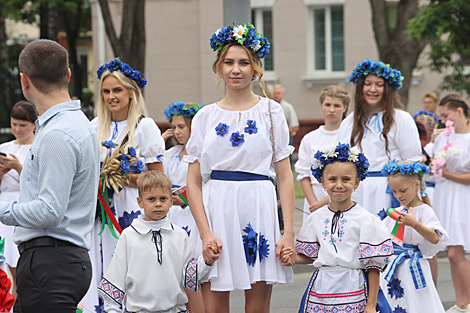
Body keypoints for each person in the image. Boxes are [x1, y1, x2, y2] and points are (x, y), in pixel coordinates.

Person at [186, 23, 295, 313]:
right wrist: (205, 232)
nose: (236, 69)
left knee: (257, 307)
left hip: (258, 207)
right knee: (215, 307)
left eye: (244, 62)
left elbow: (284, 176)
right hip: (216, 209)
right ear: (219, 68)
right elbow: (193, 182)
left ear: (256, 68)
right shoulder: (204, 117)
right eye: (229, 62)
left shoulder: (272, 112)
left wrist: (288, 232)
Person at [0, 39, 100, 312]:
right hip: (56, 262)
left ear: (24, 81)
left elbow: (49, 211)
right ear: (67, 75)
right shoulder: (74, 125)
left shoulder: (58, 133)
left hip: (52, 262)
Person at [82, 58, 166, 311]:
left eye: (117, 90)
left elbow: (158, 183)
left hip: (130, 212)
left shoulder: (144, 127)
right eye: (106, 91)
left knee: (131, 277)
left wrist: (121, 177)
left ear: (132, 92)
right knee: (102, 272)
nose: (111, 96)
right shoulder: (94, 127)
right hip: (99, 214)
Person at [282, 143, 393, 313]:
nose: (339, 185)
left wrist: (370, 305)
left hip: (354, 288)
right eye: (332, 179)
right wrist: (292, 258)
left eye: (346, 179)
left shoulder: (366, 220)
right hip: (321, 290)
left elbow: (373, 266)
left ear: (356, 183)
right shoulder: (315, 218)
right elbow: (311, 256)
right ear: (323, 183)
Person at [98, 171, 214, 313]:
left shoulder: (180, 235)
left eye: (163, 199)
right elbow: (116, 279)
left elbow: (189, 276)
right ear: (140, 202)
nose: (158, 204)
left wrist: (206, 261)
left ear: (171, 201)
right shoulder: (128, 236)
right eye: (151, 199)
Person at [337, 59, 421, 215]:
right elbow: (342, 160)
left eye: (379, 85)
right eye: (368, 83)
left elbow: (412, 160)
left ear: (387, 88)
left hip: (389, 191)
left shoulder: (401, 119)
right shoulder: (349, 122)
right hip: (357, 191)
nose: (372, 89)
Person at [379, 160, 448, 312]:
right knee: (394, 302)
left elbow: (436, 238)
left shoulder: (424, 210)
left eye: (402, 190)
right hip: (394, 266)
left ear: (417, 185)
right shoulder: (395, 211)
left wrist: (415, 224)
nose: (398, 195)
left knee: (417, 303)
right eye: (394, 191)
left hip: (414, 265)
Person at [163, 101, 205, 313]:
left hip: (191, 216)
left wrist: (186, 199)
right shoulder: (170, 154)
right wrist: (159, 142)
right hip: (171, 217)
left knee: (193, 268)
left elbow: (206, 186)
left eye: (182, 127)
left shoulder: (203, 155)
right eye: (174, 127)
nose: (177, 132)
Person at [430, 95, 470, 313]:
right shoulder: (444, 137)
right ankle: (461, 302)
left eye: (446, 115)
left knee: (456, 253)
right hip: (445, 195)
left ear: (459, 112)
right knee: (453, 252)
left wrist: (447, 174)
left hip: (463, 197)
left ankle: (469, 301)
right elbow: (435, 168)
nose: (443, 119)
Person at [295, 85, 350, 222]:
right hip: (315, 197)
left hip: (342, 196)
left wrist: (325, 202)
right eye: (327, 105)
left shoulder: (350, 137)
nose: (331, 110)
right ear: (321, 106)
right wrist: (315, 203)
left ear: (345, 108)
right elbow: (304, 175)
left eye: (337, 105)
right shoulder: (310, 138)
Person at [0, 101, 38, 299]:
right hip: (2, 207)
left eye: (22, 125)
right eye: (14, 124)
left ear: (34, 124)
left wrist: (18, 167)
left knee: (20, 268)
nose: (17, 129)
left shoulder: (39, 148)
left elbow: (39, 184)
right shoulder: (4, 147)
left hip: (24, 208)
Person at [273, 83, 299, 164]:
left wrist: (281, 132)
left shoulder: (288, 107)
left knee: (286, 162)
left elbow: (295, 126)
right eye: (275, 93)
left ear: (283, 94)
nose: (276, 95)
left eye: (279, 93)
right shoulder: (268, 106)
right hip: (271, 139)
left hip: (286, 139)